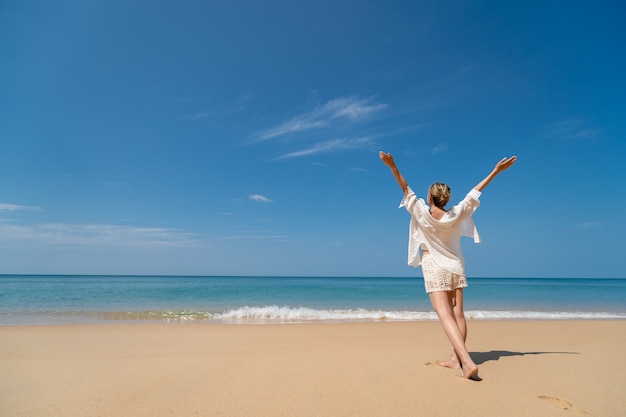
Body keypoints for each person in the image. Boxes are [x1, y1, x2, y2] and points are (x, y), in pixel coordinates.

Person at [379, 151, 516, 380]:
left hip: (433, 265)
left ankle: (467, 362)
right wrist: (495, 171)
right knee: (458, 314)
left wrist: (392, 165)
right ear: (446, 199)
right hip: (455, 266)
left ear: (430, 199)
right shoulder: (456, 213)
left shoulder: (422, 212)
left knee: (444, 315)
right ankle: (455, 359)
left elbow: (405, 188)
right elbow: (475, 193)